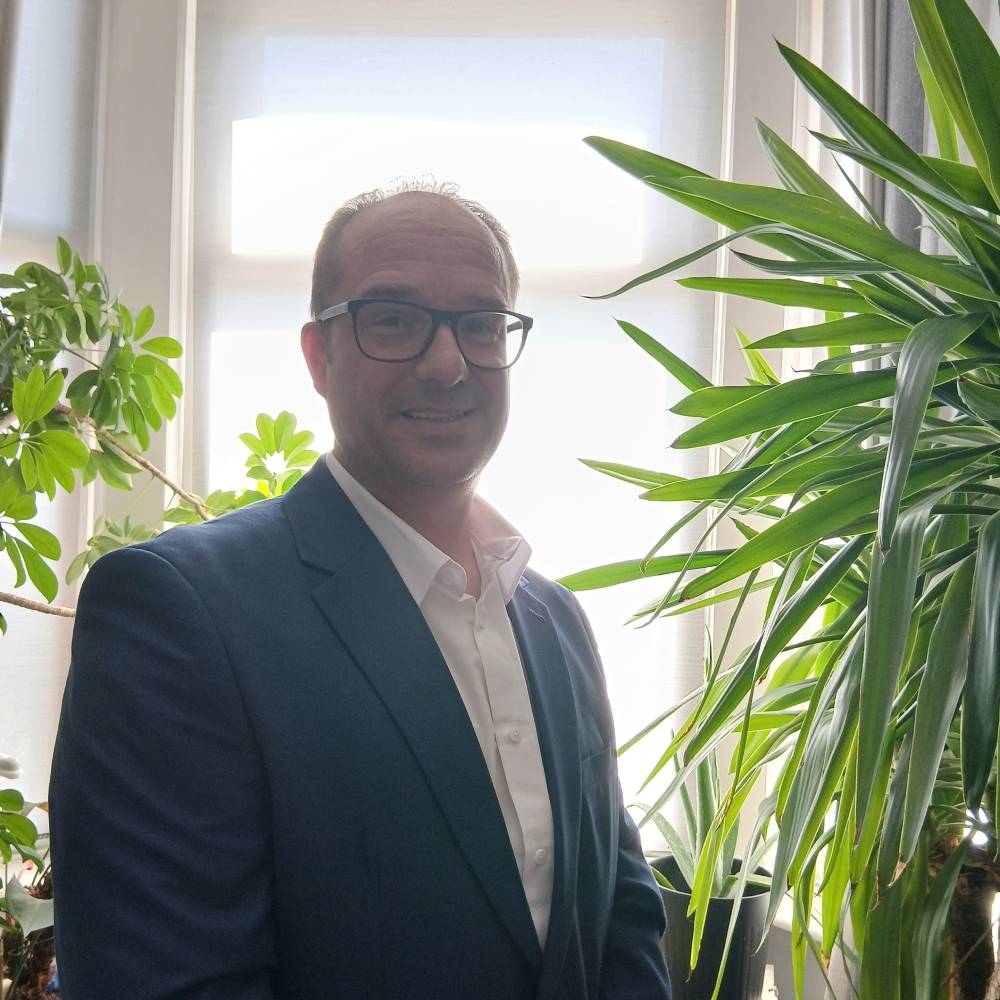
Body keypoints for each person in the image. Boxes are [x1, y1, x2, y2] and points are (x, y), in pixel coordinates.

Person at [49, 183, 671, 999]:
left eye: (481, 323)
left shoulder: (556, 622)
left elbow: (622, 922)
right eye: (394, 320)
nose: (447, 363)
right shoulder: (179, 612)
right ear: (319, 356)